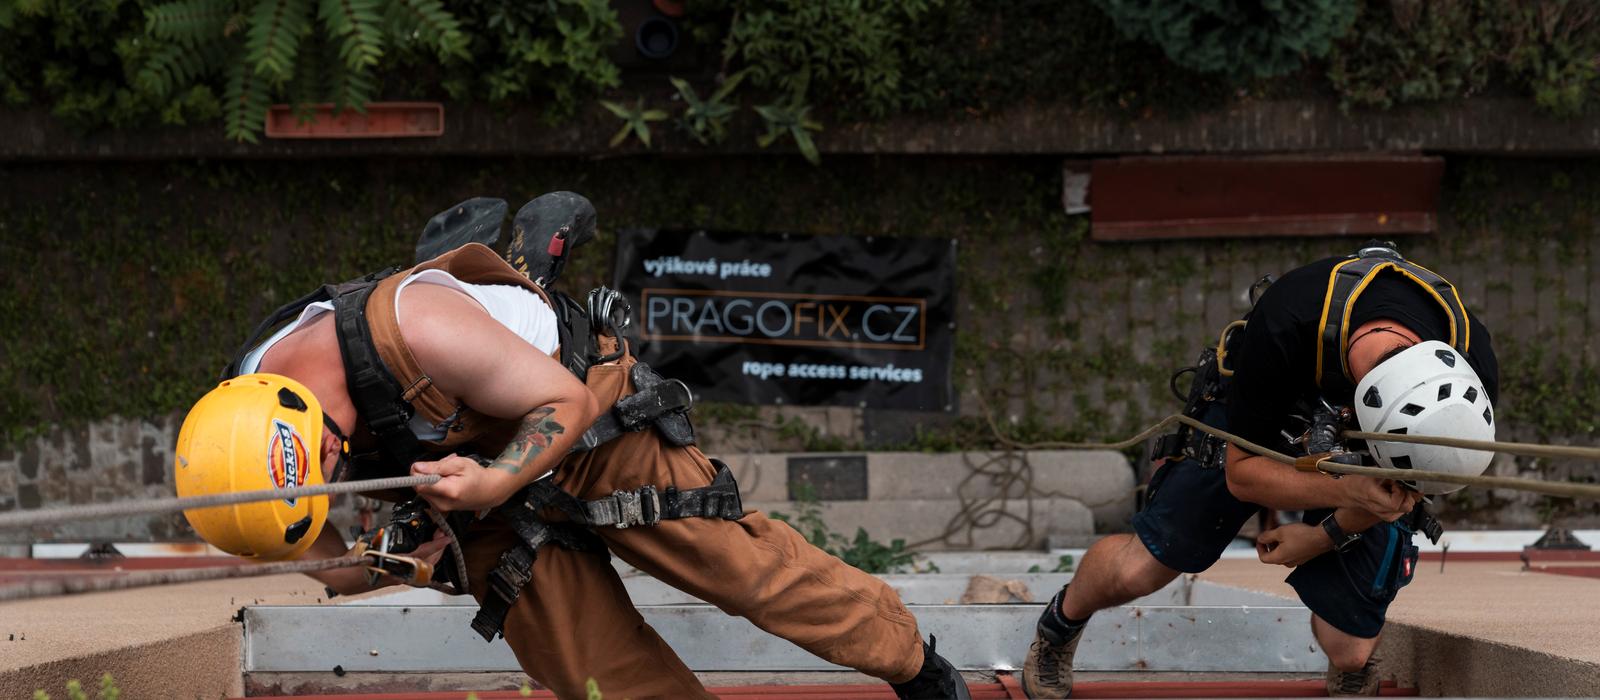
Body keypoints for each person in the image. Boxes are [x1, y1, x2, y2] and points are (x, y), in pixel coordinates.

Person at [173, 193, 970, 700]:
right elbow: (342, 568)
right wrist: (401, 559)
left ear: (311, 419)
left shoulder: (418, 330)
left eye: (330, 467)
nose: (334, 480)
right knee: (597, 673)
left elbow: (564, 402)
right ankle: (505, 278)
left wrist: (491, 483)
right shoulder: (238, 453)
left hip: (580, 408)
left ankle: (914, 664)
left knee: (736, 570)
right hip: (460, 477)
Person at [1021, 242, 1499, 697]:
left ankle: (1348, 637)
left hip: (1370, 444)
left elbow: (1398, 494)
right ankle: (1060, 625)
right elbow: (1242, 474)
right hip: (1263, 409)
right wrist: (1347, 491)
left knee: (1350, 650)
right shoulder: (1288, 319)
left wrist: (1323, 536)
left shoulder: (1468, 360)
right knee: (1140, 570)